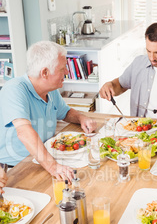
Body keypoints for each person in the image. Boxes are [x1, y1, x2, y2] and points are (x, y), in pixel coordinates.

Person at [0, 41, 97, 181]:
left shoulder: (50, 91)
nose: (67, 72)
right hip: (15, 169)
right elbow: (24, 132)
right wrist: (53, 167)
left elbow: (66, 113)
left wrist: (82, 118)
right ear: (45, 73)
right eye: (62, 69)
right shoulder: (14, 89)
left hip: (43, 159)